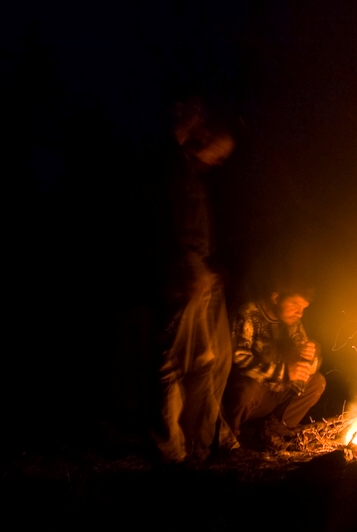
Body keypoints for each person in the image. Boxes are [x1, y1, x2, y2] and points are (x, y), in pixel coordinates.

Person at [152, 101, 237, 464]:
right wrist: (186, 260)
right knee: (171, 363)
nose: (219, 161)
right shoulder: (166, 161)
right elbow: (166, 217)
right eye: (220, 152)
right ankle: (171, 449)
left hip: (196, 270)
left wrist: (207, 264)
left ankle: (195, 445)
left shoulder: (187, 169)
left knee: (203, 361)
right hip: (181, 272)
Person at [223, 285, 325, 447]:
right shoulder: (248, 314)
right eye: (295, 304)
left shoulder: (292, 322)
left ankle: (273, 432)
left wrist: (309, 358)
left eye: (303, 308)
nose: (299, 313)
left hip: (275, 393)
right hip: (250, 395)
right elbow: (239, 358)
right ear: (276, 298)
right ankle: (227, 439)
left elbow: (307, 368)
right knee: (247, 389)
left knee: (317, 382)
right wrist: (284, 372)